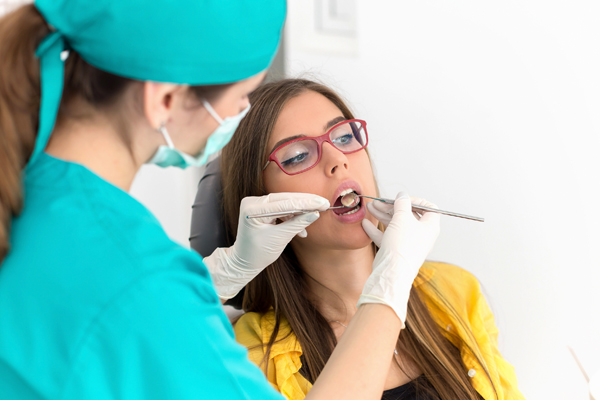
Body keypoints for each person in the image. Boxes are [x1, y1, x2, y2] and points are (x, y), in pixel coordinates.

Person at [0, 2, 440, 400]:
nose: (338, 161)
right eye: (239, 99)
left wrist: (221, 275)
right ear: (165, 99)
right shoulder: (140, 281)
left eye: (344, 136)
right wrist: (390, 287)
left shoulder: (28, 195)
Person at [218, 79, 526, 400]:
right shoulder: (252, 351)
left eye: (345, 136)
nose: (338, 158)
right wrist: (391, 279)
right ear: (264, 199)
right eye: (297, 156)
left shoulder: (456, 291)